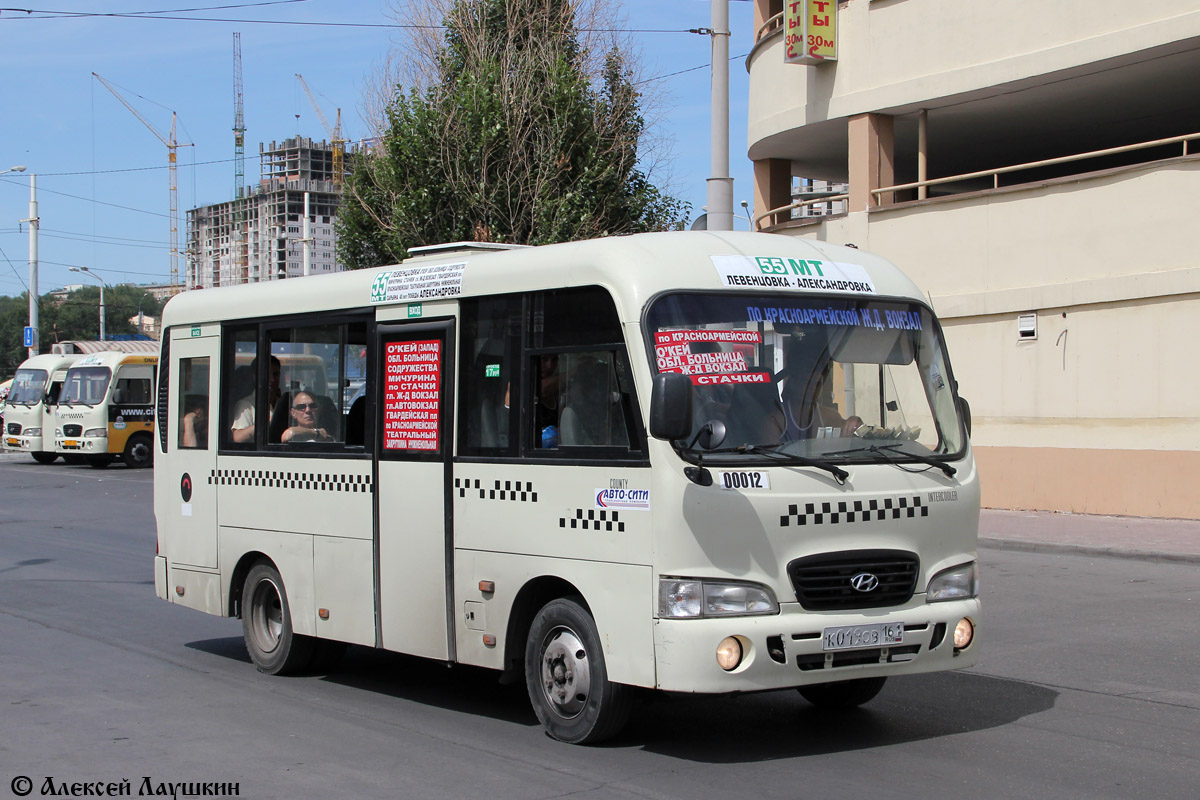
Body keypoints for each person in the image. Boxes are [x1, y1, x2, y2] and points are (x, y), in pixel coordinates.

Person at [230, 356, 281, 444]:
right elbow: (238, 437)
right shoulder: (246, 405)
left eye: (275, 374)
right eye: (267, 374)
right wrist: (267, 423)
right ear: (255, 377)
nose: (272, 379)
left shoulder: (285, 403)